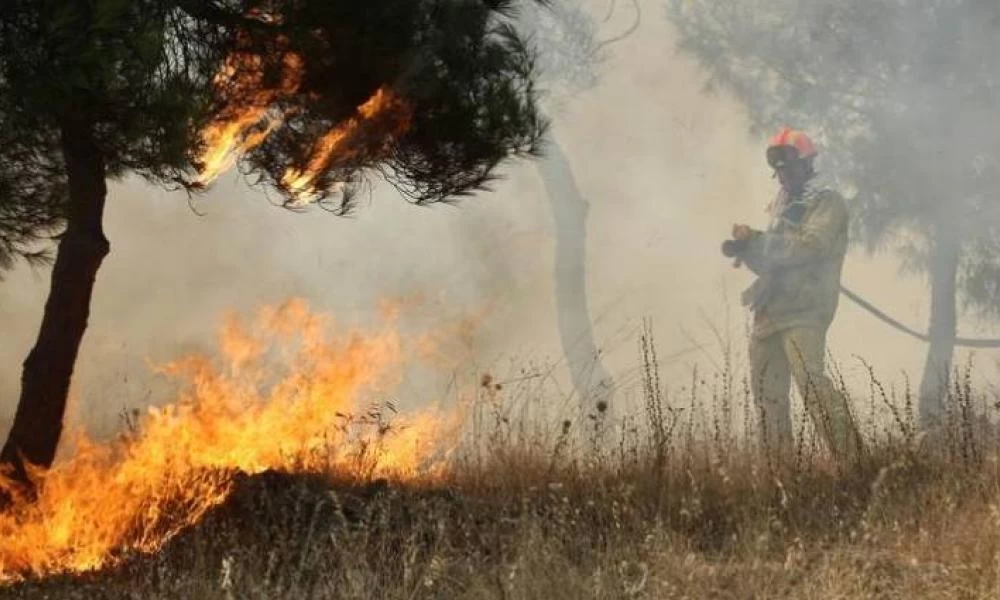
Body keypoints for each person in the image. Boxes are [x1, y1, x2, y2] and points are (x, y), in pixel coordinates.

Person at [722, 127, 864, 463]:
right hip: (768, 312)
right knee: (767, 397)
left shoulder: (827, 202)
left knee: (812, 385)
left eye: (789, 166)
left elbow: (808, 247)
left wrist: (758, 240)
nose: (784, 174)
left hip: (805, 311)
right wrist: (748, 249)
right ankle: (780, 475)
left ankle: (856, 463)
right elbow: (773, 260)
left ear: (807, 163)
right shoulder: (781, 203)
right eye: (779, 169)